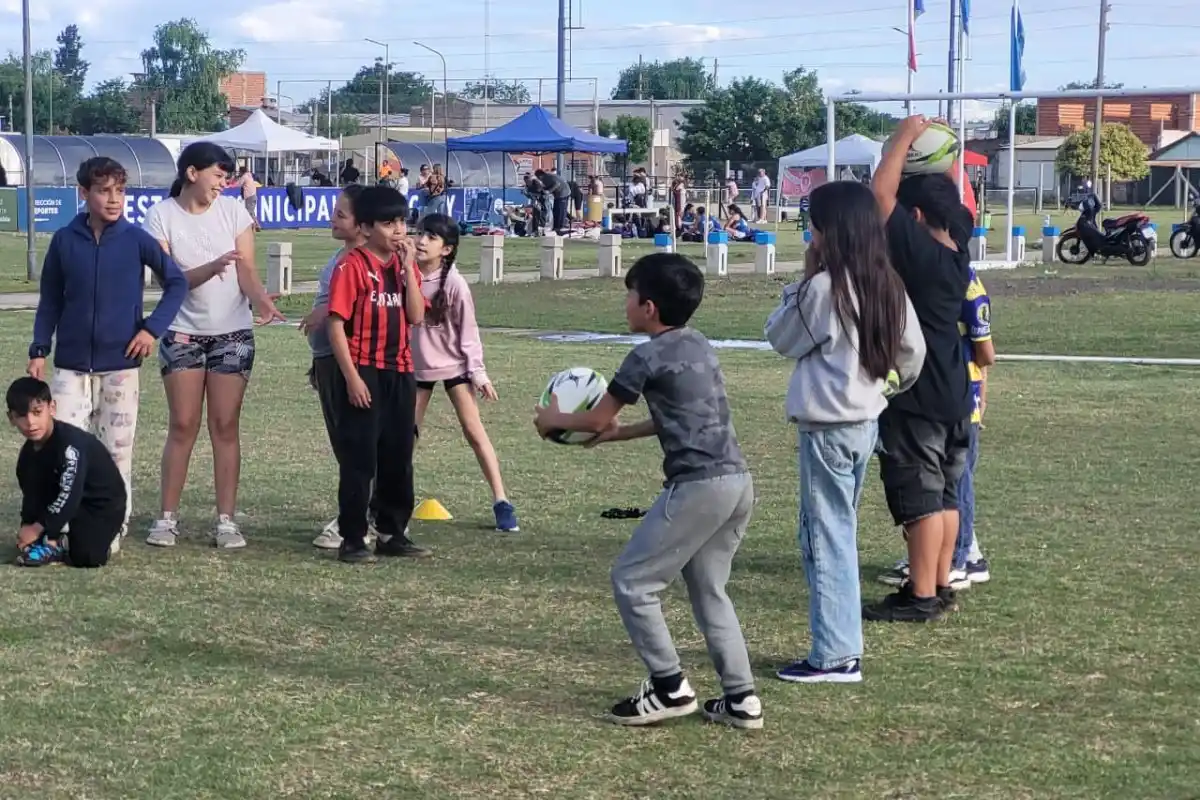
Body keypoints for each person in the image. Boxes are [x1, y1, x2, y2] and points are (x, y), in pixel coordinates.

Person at [533, 252, 762, 730]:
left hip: (699, 486)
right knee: (708, 590)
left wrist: (554, 420)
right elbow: (676, 416)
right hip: (737, 482)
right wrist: (619, 434)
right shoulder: (698, 343)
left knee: (633, 581)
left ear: (649, 307)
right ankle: (741, 699)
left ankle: (669, 687)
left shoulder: (645, 355)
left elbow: (596, 417)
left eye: (630, 294)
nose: (627, 302)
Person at [764, 181, 926, 684]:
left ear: (828, 231)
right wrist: (884, 390)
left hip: (828, 427)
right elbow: (912, 355)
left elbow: (781, 337)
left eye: (812, 223)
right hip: (864, 421)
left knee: (827, 536)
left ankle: (835, 654)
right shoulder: (887, 283)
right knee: (835, 531)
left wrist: (805, 279)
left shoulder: (824, 289)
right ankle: (841, 645)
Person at [28, 156, 188, 554]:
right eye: (104, 191)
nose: (114, 199)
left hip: (121, 366)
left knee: (116, 448)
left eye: (120, 191)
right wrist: (39, 349)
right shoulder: (65, 241)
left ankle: (112, 524)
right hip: (70, 365)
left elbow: (177, 282)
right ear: (84, 194)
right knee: (63, 448)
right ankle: (58, 527)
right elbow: (49, 300)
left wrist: (152, 329)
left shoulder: (136, 240)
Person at [143, 142, 285, 551]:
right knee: (182, 425)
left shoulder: (234, 211)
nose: (225, 183)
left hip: (233, 335)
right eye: (218, 175)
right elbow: (169, 281)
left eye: (227, 176)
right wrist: (211, 268)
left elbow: (247, 271)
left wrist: (261, 300)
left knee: (225, 427)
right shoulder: (160, 216)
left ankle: (226, 521)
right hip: (182, 334)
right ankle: (166, 518)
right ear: (192, 173)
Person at [865, 115, 974, 622]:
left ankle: (922, 596)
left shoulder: (923, 255)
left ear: (916, 214)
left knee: (921, 496)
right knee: (948, 492)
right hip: (953, 387)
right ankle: (940, 582)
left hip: (919, 391)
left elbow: (879, 196)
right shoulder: (957, 252)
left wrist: (905, 137)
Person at [325, 185, 430, 563]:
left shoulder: (403, 267)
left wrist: (407, 272)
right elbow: (336, 325)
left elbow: (417, 316)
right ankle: (352, 538)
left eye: (402, 221)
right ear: (366, 228)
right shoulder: (351, 266)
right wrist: (351, 377)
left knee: (398, 455)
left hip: (400, 371)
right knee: (360, 460)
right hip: (364, 369)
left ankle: (393, 531)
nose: (399, 230)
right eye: (389, 223)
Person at [878, 265, 994, 589]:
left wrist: (979, 394)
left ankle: (960, 558)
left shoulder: (960, 280)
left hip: (956, 395)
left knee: (953, 487)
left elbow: (985, 349)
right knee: (943, 484)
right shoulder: (940, 274)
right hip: (946, 394)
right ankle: (949, 555)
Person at [411, 213, 519, 533]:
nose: (421, 241)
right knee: (406, 438)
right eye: (420, 234)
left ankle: (502, 501)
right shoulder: (407, 274)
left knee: (474, 432)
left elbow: (468, 333)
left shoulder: (455, 283)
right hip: (416, 368)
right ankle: (386, 500)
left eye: (431, 237)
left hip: (454, 366)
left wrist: (478, 373)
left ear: (447, 249)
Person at [299, 183, 378, 551]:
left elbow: (355, 315)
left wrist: (326, 312)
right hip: (328, 362)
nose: (333, 218)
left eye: (341, 214)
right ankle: (356, 512)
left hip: (350, 365)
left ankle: (358, 520)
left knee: (356, 446)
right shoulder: (340, 257)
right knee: (344, 445)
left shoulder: (364, 263)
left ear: (363, 225)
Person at [9, 377, 127, 568]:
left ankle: (60, 543)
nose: (30, 422)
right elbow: (31, 493)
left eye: (37, 412)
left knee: (88, 557)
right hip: (70, 498)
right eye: (22, 415)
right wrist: (27, 525)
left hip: (101, 504)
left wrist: (39, 528)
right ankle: (51, 539)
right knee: (35, 535)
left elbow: (70, 494)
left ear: (52, 408)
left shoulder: (70, 446)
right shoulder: (27, 455)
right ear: (11, 419)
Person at [236, 166, 260, 231]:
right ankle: (256, 225)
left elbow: (238, 184)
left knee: (249, 212)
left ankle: (255, 226)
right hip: (253, 195)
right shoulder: (249, 176)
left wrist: (237, 178)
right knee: (251, 212)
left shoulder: (244, 177)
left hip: (249, 196)